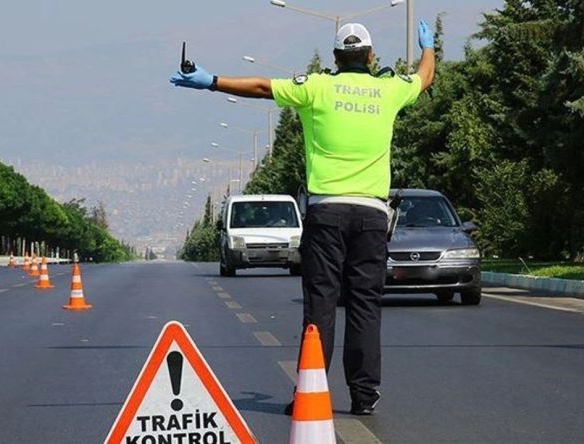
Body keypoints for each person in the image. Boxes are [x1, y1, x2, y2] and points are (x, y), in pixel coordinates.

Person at [170, 20, 436, 415]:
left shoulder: (316, 87)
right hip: (371, 216)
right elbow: (424, 78)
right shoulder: (389, 90)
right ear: (371, 56)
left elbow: (262, 88)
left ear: (334, 58)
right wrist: (427, 47)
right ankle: (364, 396)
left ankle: (312, 389)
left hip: (326, 213)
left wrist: (211, 81)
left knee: (321, 304)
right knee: (365, 304)